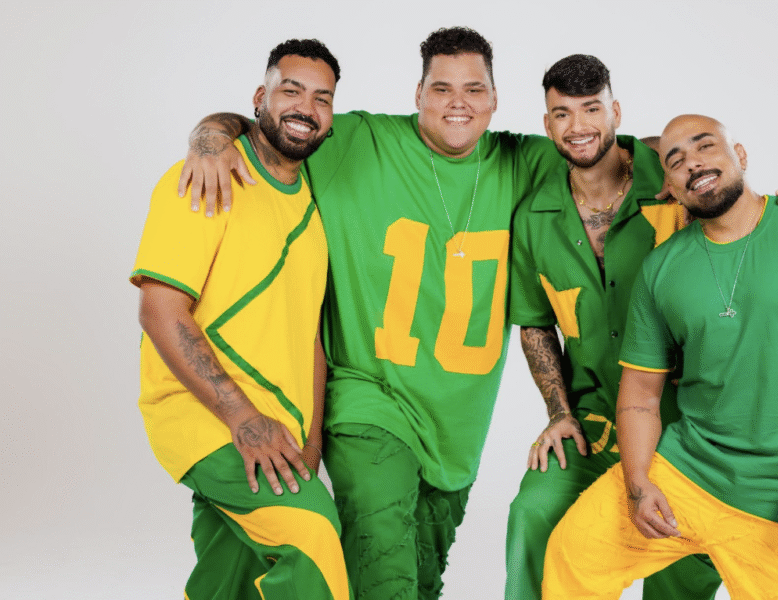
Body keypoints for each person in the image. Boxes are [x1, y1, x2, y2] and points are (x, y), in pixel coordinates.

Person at [177, 27, 566, 600]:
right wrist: (210, 136)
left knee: (420, 579)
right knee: (383, 569)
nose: (457, 102)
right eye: (441, 88)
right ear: (418, 94)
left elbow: (615, 153)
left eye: (473, 88)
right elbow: (277, 125)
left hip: (458, 427)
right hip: (367, 398)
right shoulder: (359, 140)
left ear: (495, 99)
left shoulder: (524, 160)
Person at [541, 114, 778, 600]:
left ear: (741, 156)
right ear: (669, 187)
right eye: (675, 160)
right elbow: (640, 394)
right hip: (686, 473)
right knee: (574, 553)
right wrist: (639, 483)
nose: (693, 163)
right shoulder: (662, 267)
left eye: (705, 146)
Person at [507, 56, 778, 600]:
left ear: (616, 112)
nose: (579, 126)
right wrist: (559, 413)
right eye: (562, 114)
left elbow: (738, 216)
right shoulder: (535, 216)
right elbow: (536, 324)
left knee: (681, 561)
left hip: (691, 430)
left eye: (592, 109)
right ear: (547, 124)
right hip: (595, 422)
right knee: (533, 514)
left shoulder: (672, 176)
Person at [131, 40, 350, 600]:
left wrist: (309, 441)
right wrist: (244, 417)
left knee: (227, 580)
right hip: (206, 417)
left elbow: (309, 336)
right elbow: (160, 310)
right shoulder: (206, 177)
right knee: (313, 534)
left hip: (277, 430)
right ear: (260, 97)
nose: (306, 108)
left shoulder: (312, 203)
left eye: (322, 98)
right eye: (291, 91)